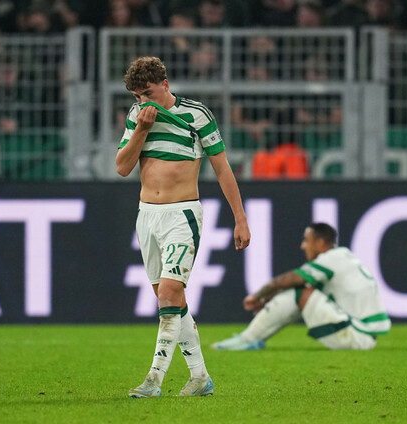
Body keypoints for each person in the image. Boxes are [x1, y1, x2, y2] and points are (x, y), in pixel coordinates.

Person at [117, 56, 251, 397]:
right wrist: (142, 128)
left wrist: (240, 218)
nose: (143, 102)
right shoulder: (137, 116)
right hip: (147, 216)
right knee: (172, 301)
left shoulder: (197, 115)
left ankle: (154, 380)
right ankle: (200, 377)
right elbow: (122, 167)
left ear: (165, 84)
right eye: (137, 97)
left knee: (168, 294)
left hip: (182, 214)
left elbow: (222, 168)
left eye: (148, 93)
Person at [212, 223, 391, 351]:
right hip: (366, 336)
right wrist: (270, 297)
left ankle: (248, 339)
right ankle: (250, 338)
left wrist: (258, 296)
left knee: (300, 291)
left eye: (306, 240)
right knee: (302, 290)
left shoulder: (330, 259)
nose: (303, 246)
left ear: (320, 243)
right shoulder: (343, 255)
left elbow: (292, 279)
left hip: (355, 335)